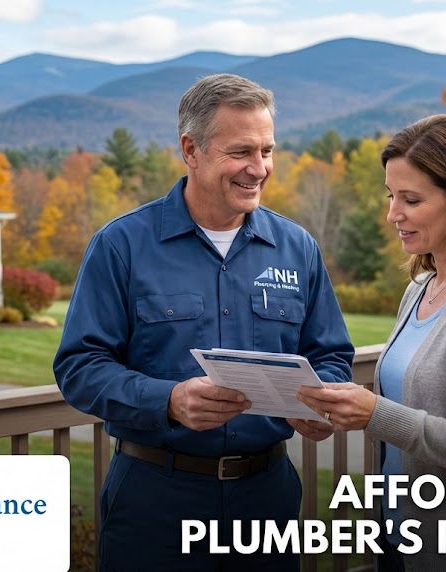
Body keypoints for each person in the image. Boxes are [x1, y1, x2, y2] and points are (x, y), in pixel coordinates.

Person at [53, 73, 354, 571]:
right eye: (241, 152)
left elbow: (332, 356)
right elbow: (79, 368)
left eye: (267, 151)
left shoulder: (297, 247)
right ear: (191, 150)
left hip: (267, 502)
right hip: (155, 501)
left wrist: (321, 401)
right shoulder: (122, 246)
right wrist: (167, 400)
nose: (258, 169)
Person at [297, 114, 446, 571]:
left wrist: (376, 414)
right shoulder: (420, 288)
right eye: (392, 196)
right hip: (399, 537)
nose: (393, 214)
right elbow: (414, 399)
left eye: (411, 199)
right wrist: (344, 406)